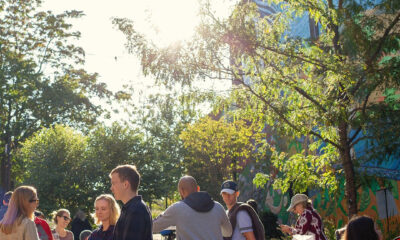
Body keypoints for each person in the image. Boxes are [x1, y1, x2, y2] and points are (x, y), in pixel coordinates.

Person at [153, 176, 232, 240]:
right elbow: (228, 232)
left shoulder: (177, 208)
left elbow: (153, 226)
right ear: (198, 188)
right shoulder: (218, 207)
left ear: (181, 191)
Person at [109, 164, 152, 240]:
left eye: (113, 183)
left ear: (125, 184)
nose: (111, 188)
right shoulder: (130, 208)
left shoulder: (136, 210)